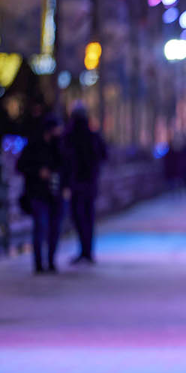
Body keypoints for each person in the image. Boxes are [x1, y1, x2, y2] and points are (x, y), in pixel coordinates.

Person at [16, 116, 68, 274]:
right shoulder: (34, 145)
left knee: (54, 228)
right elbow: (21, 166)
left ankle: (51, 261)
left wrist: (66, 187)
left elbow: (66, 167)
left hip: (55, 193)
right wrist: (38, 172)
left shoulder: (59, 146)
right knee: (41, 226)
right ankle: (39, 263)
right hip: (38, 192)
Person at [62, 104, 108, 265]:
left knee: (79, 216)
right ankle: (87, 251)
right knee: (88, 217)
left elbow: (65, 158)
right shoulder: (92, 134)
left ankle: (85, 250)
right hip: (89, 182)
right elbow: (103, 154)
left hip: (77, 183)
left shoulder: (70, 135)